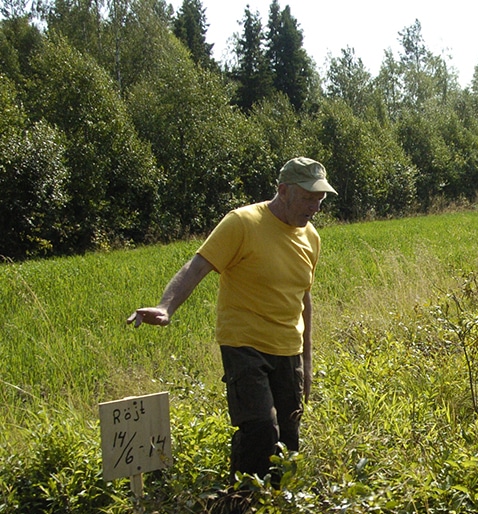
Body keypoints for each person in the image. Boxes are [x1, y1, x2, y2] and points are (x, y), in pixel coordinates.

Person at [128, 157, 334, 487]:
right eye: (309, 197)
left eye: (320, 198)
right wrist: (166, 307)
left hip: (289, 349)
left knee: (289, 437)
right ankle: (240, 513)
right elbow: (197, 266)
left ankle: (276, 512)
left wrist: (307, 364)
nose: (316, 206)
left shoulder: (311, 238)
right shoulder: (243, 223)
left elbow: (303, 300)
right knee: (259, 430)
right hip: (245, 344)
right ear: (283, 191)